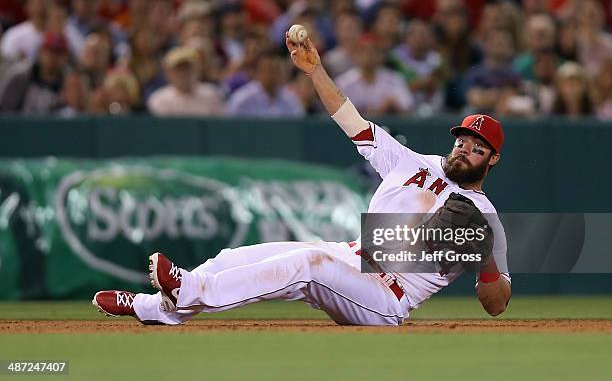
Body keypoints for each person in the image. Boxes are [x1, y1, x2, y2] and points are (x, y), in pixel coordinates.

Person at [93, 32, 511, 326]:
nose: (465, 149)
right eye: (462, 140)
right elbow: (353, 122)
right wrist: (315, 72)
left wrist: (486, 260)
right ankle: (155, 308)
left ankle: (184, 292)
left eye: (477, 147)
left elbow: (496, 304)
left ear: (491, 159)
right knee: (237, 257)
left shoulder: (485, 217)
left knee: (307, 265)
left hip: (386, 298)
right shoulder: (413, 162)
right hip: (352, 258)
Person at [147, 46, 224, 117]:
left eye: (188, 68)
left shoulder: (212, 94)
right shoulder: (159, 99)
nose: (184, 74)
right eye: (179, 69)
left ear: (198, 69)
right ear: (168, 73)